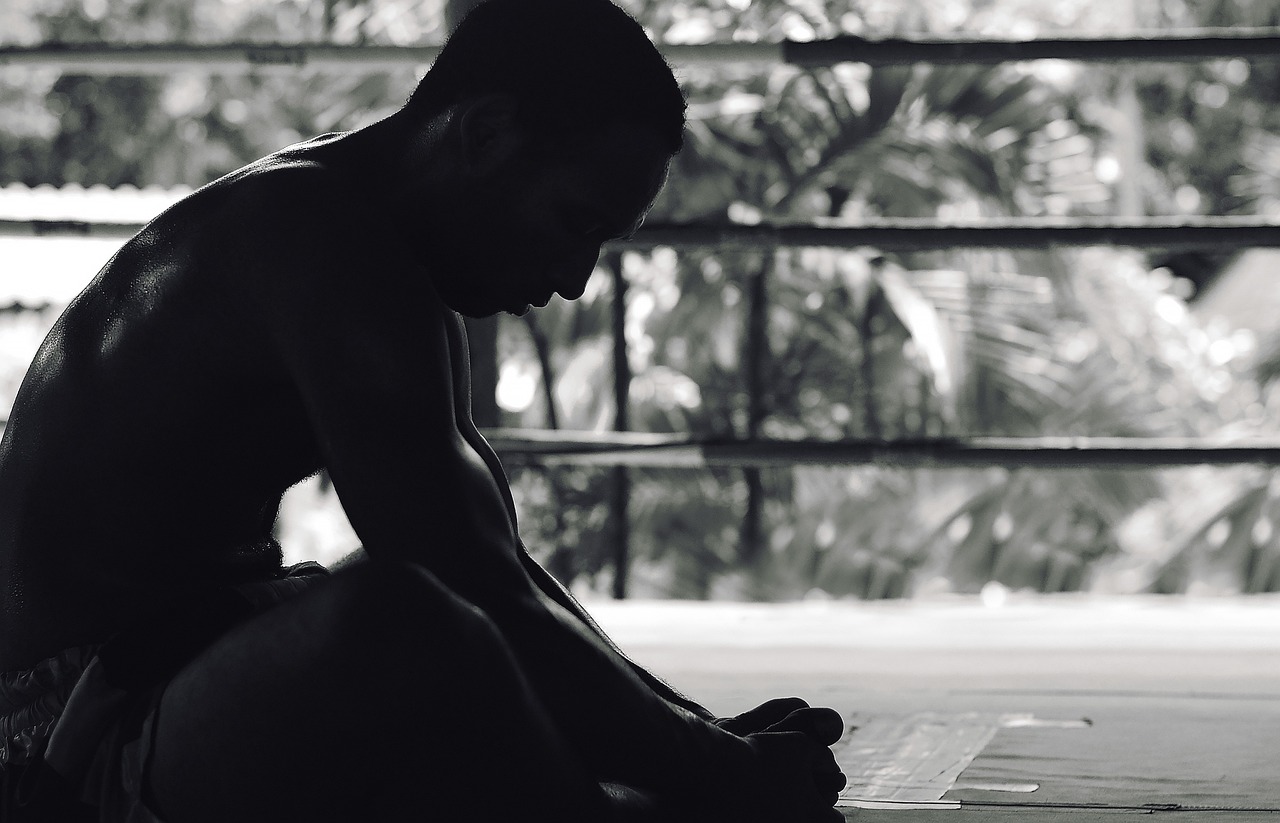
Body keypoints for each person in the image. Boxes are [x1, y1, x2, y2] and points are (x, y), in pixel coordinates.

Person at [0, 0, 848, 820]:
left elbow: (498, 562)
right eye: (573, 221)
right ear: (483, 132)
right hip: (55, 729)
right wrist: (718, 767)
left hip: (182, 670)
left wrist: (694, 731)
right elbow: (458, 580)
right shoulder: (318, 240)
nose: (576, 277)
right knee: (401, 621)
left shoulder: (391, 261)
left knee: (449, 632)